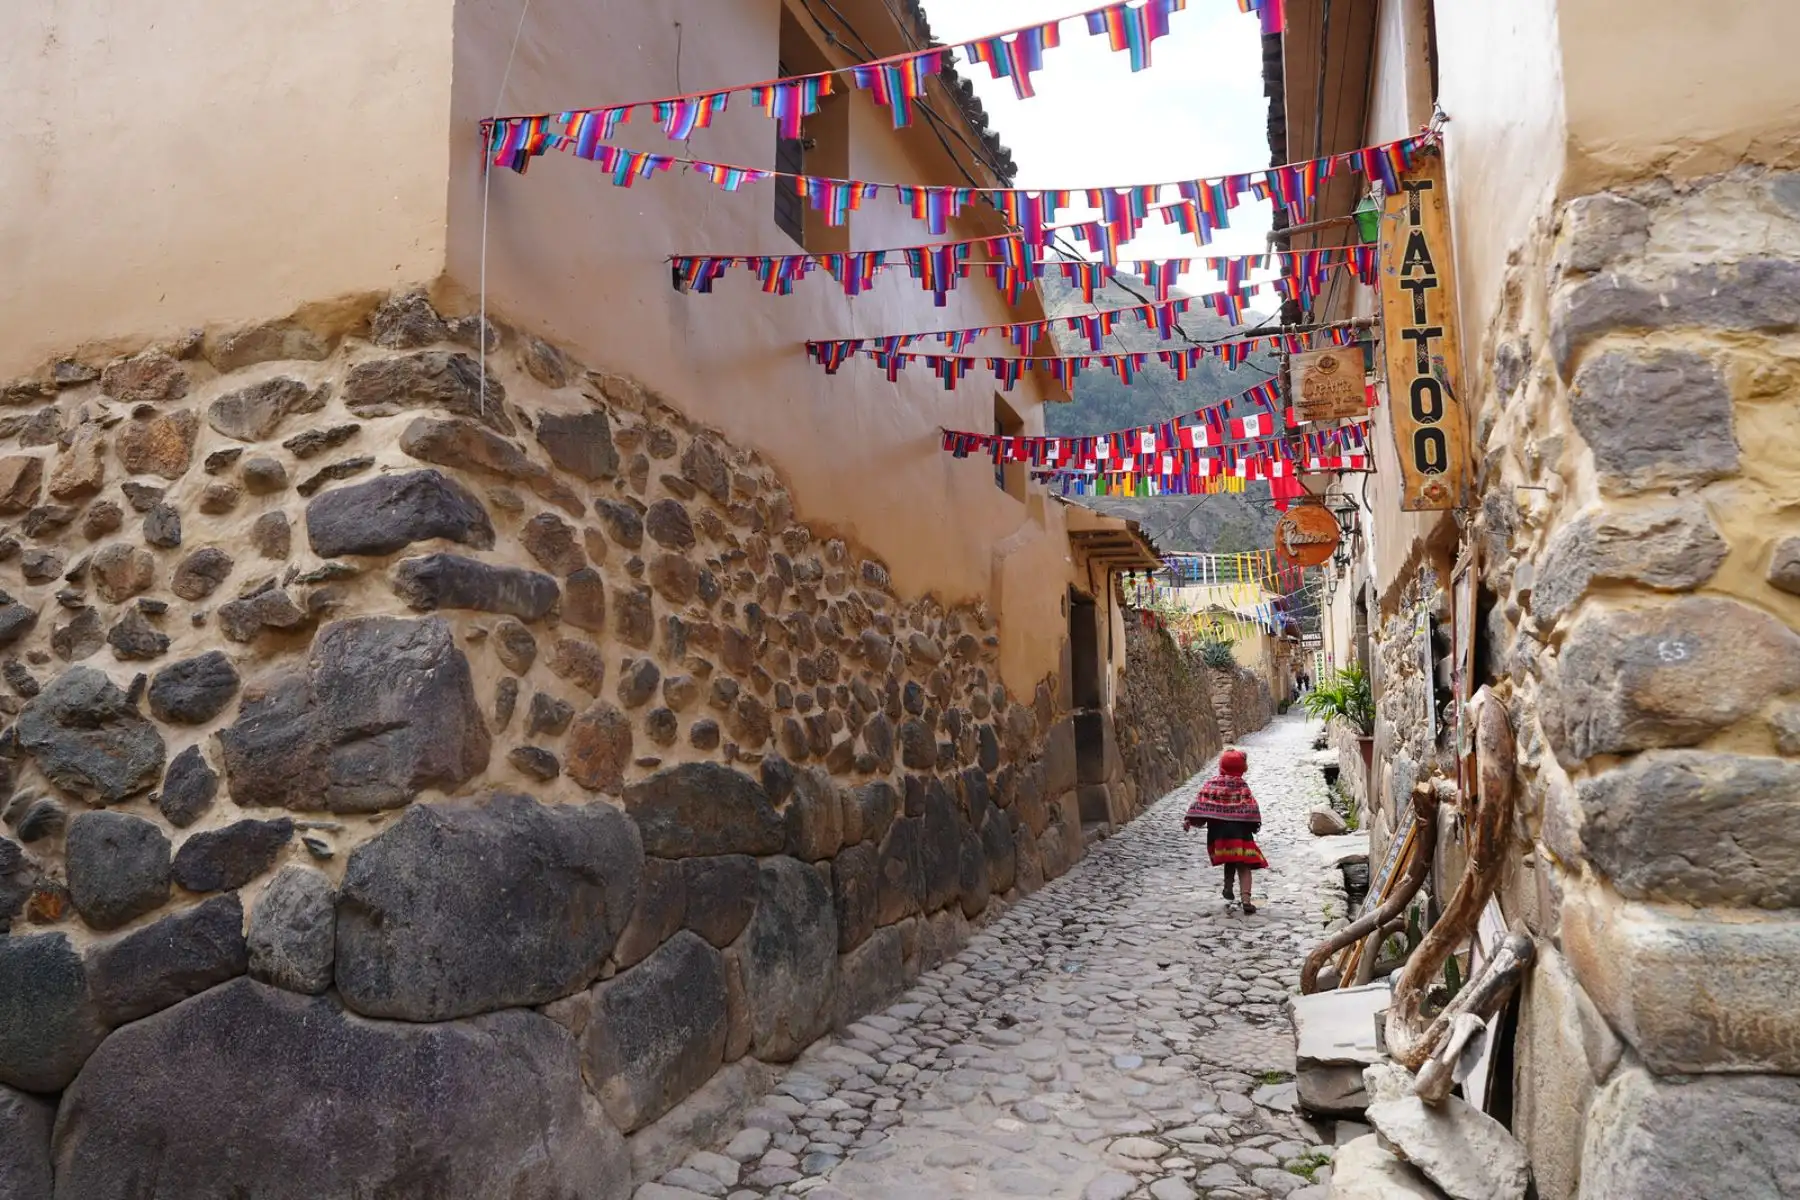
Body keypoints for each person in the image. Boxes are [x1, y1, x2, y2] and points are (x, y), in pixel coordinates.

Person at [1183, 748, 1269, 914]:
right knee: (1244, 866)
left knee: (1230, 858)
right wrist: (1254, 824)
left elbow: (1201, 802)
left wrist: (1190, 819)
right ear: (1241, 769)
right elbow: (1251, 807)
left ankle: (1228, 887)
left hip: (1219, 835)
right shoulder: (1242, 786)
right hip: (1240, 834)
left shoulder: (1212, 784)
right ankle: (1246, 900)